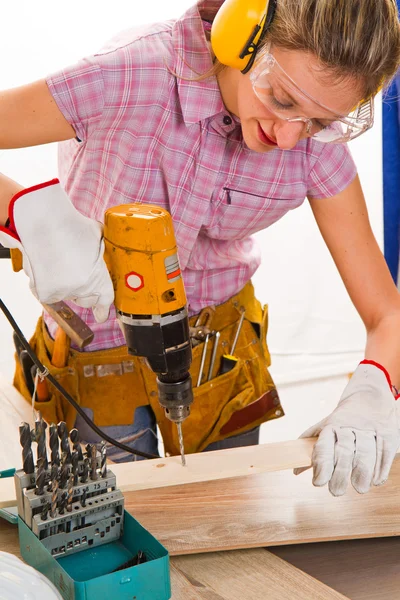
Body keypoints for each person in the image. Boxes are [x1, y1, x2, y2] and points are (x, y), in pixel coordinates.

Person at [0, 0, 400, 497]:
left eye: (320, 121)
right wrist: (22, 214)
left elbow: (388, 315)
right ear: (240, 37)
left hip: (219, 352)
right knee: (112, 523)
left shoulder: (314, 149)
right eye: (281, 98)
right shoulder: (131, 73)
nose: (289, 136)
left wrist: (374, 386)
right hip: (95, 343)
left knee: (224, 520)